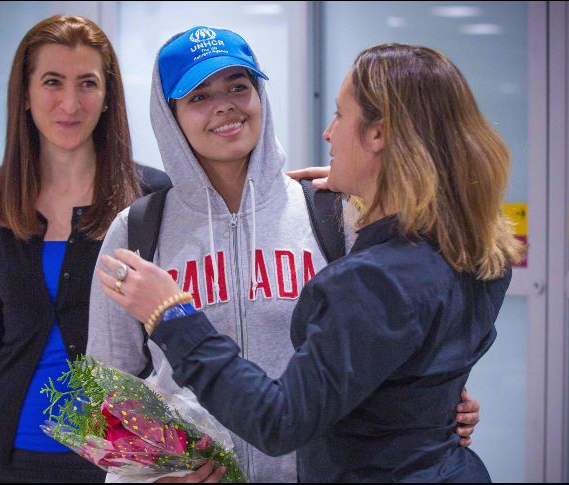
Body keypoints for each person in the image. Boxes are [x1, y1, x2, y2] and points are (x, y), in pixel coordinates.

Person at [88, 28, 482, 483]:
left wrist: (440, 399)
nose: (225, 105)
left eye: (239, 86)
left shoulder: (334, 213)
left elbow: (393, 344)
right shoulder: (137, 229)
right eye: (199, 96)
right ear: (169, 115)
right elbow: (107, 391)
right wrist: (155, 477)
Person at [0, 15, 170, 483]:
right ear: (26, 94)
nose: (70, 103)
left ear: (108, 95)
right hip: (16, 450)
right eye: (52, 81)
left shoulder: (151, 197)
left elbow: (170, 339)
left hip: (121, 455)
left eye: (87, 83)